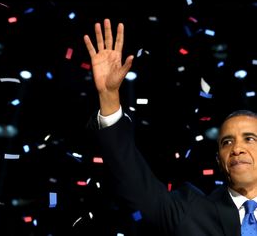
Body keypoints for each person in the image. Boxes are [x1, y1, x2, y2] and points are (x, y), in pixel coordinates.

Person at [83, 18, 257, 235]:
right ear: (218, 160)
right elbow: (131, 175)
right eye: (227, 142)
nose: (237, 148)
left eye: (249, 138)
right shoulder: (189, 210)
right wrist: (108, 97)